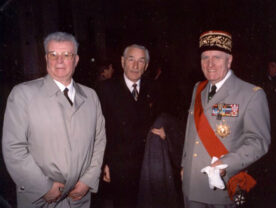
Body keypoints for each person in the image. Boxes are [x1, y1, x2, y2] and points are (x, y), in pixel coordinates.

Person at [2, 31, 106, 208]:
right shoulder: (24, 95)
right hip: (41, 198)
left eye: (66, 55)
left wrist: (88, 180)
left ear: (76, 60)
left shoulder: (90, 96)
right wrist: (43, 187)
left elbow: (99, 140)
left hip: (79, 198)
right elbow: (13, 147)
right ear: (46, 58)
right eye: (53, 54)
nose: (59, 60)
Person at [181, 30, 271, 208]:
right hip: (192, 185)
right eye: (205, 57)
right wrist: (184, 165)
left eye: (217, 57)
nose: (210, 64)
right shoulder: (198, 88)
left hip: (222, 187)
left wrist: (227, 164)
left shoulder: (251, 94)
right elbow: (191, 130)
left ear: (229, 60)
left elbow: (259, 141)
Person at [98, 44, 164, 208]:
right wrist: (104, 163)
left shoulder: (155, 88)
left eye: (141, 61)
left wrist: (165, 130)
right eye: (131, 59)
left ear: (146, 65)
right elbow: (98, 130)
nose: (135, 66)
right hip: (120, 166)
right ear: (122, 62)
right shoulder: (105, 89)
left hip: (148, 164)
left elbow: (165, 118)